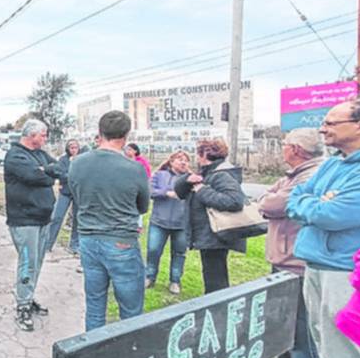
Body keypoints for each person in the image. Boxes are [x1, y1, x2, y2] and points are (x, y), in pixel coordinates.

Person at [287, 99, 360, 358]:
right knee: (326, 345)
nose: (323, 129)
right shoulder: (334, 164)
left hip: (346, 270)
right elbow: (296, 199)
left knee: (347, 350)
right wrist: (315, 202)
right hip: (317, 263)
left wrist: (315, 205)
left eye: (332, 122)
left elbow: (336, 214)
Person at [257, 128, 328, 358]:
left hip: (296, 258)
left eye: (285, 144)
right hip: (286, 253)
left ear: (296, 149)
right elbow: (268, 197)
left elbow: (272, 204)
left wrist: (269, 200)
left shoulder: (310, 175)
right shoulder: (297, 174)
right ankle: (292, 357)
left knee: (302, 316)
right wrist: (269, 199)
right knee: (289, 312)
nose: (283, 148)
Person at [69, 111, 150, 331]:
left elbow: (76, 196)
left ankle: (92, 355)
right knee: (131, 310)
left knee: (95, 305)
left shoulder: (77, 163)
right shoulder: (134, 168)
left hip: (88, 239)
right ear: (126, 135)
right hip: (120, 240)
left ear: (99, 132)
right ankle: (128, 355)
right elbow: (143, 206)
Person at [4, 119, 61, 332]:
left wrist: (45, 171)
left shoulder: (40, 154)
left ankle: (28, 296)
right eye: (43, 135)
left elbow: (59, 168)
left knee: (37, 263)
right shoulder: (15, 155)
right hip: (24, 218)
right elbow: (33, 176)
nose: (45, 139)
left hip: (43, 217)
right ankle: (23, 306)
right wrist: (47, 174)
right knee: (27, 263)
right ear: (32, 135)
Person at [174, 138, 246, 295]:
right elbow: (180, 193)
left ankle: (218, 311)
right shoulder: (207, 172)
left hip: (216, 235)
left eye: (198, 152)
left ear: (204, 154)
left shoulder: (221, 175)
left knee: (215, 280)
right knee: (211, 274)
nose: (196, 157)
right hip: (208, 234)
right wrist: (186, 180)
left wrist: (202, 190)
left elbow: (235, 201)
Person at [146, 150, 190, 295]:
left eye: (186, 160)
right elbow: (150, 191)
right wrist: (166, 192)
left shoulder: (190, 179)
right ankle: (149, 277)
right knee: (153, 250)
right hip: (159, 221)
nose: (183, 162)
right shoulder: (159, 175)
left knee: (179, 253)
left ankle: (175, 281)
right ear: (171, 162)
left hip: (181, 223)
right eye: (180, 159)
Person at [45, 138, 82, 254]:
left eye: (76, 147)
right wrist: (70, 174)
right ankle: (48, 243)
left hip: (78, 193)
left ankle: (74, 245)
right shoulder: (63, 160)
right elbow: (59, 173)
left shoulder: (82, 160)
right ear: (68, 148)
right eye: (71, 147)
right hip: (65, 192)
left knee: (77, 219)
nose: (74, 150)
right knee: (57, 217)